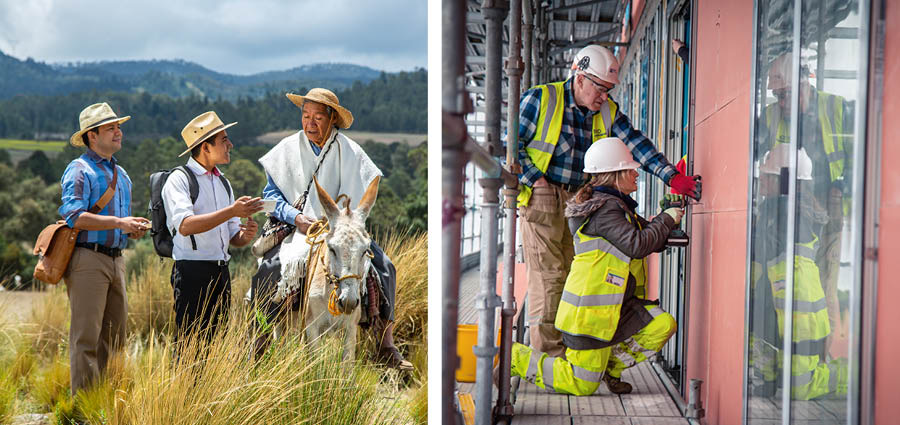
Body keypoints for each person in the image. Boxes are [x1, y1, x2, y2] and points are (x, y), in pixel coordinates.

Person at [516, 44, 701, 359]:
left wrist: (670, 176)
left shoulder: (606, 110)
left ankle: (574, 354)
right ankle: (547, 359)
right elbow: (506, 148)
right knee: (550, 278)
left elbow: (636, 145)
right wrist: (535, 179)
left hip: (580, 199)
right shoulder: (541, 99)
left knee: (578, 277)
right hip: (543, 197)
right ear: (580, 77)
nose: (605, 97)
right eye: (600, 89)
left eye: (609, 90)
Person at [251, 88, 411, 370]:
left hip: (341, 229)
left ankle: (386, 344)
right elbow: (269, 199)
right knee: (269, 270)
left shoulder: (351, 152)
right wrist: (296, 217)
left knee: (386, 267)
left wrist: (346, 221)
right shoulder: (286, 150)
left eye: (318, 117)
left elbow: (364, 196)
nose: (310, 123)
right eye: (305, 115)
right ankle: (262, 337)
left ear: (333, 119)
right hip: (297, 229)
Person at [508, 137, 683, 396]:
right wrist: (667, 219)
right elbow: (638, 244)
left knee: (662, 324)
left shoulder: (616, 206)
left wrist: (666, 220)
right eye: (631, 168)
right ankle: (513, 356)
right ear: (615, 175)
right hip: (589, 315)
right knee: (582, 385)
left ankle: (610, 369)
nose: (636, 173)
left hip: (613, 309)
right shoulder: (604, 210)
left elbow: (649, 239)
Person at [761, 53, 853, 358]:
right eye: (777, 95)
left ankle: (820, 361)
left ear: (805, 84)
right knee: (786, 283)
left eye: (786, 95)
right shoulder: (772, 115)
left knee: (824, 284)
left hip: (828, 209)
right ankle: (788, 357)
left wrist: (840, 187)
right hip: (787, 211)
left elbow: (860, 156)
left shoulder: (835, 107)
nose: (782, 103)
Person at [59, 102, 149, 394]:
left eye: (118, 126)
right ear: (91, 136)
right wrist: (120, 223)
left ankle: (107, 404)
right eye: (110, 128)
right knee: (86, 338)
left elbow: (117, 224)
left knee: (116, 337)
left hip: (116, 260)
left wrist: (131, 230)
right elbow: (73, 216)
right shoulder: (79, 170)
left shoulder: (122, 176)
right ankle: (83, 411)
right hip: (87, 260)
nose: (118, 132)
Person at [748, 144, 847, 400]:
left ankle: (851, 376)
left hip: (801, 313)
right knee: (760, 330)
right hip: (779, 299)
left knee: (802, 388)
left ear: (784, 180)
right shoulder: (778, 209)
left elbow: (767, 248)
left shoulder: (787, 213)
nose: (761, 182)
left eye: (767, 176)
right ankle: (770, 375)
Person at [161, 111, 261, 349]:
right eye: (224, 140)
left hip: (220, 273)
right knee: (190, 346)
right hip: (191, 273)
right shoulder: (179, 179)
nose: (231, 145)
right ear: (205, 147)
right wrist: (232, 212)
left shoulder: (223, 182)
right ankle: (187, 387)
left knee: (217, 344)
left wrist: (243, 236)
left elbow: (232, 237)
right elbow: (185, 226)